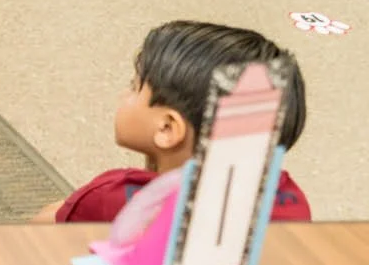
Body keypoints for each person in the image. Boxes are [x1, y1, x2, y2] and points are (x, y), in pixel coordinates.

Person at [36, 20, 310, 223]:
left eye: (134, 87)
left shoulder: (115, 197)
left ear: (167, 128)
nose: (123, 95)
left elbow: (40, 226)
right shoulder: (290, 200)